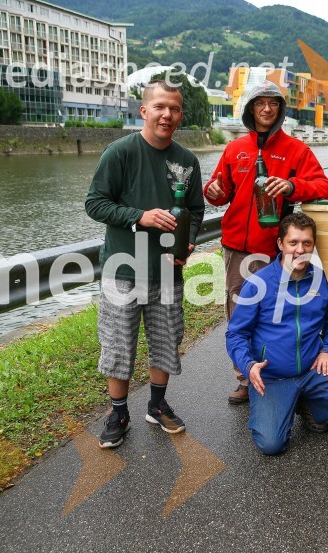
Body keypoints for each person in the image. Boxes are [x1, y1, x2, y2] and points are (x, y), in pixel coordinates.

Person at [85, 80, 204, 449]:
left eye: (174, 108)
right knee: (119, 345)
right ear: (145, 111)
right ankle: (118, 412)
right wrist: (141, 217)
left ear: (180, 115)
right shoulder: (119, 153)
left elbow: (197, 210)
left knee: (167, 341)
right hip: (123, 269)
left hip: (168, 271)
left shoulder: (187, 160)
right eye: (160, 107)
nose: (167, 115)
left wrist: (189, 239)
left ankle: (157, 404)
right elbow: (95, 203)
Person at [204, 80, 328, 406]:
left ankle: (280, 374)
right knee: (238, 312)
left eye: (273, 103)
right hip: (236, 245)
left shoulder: (296, 150)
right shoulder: (235, 149)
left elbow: (324, 187)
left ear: (280, 110)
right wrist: (213, 193)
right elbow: (217, 190)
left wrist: (291, 186)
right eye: (259, 102)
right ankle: (245, 377)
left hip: (272, 248)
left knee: (275, 315)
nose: (266, 108)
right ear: (250, 108)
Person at [225, 213, 328, 455]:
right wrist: (249, 366)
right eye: (293, 243)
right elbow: (236, 335)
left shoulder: (321, 280)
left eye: (307, 243)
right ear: (280, 244)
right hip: (273, 376)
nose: (300, 250)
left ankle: (305, 403)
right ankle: (281, 406)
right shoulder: (258, 284)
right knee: (272, 445)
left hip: (312, 370)